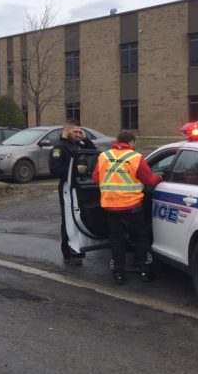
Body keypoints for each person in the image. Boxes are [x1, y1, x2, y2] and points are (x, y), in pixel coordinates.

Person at [93, 130, 162, 285]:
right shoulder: (136, 157)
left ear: (117, 141)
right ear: (132, 142)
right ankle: (144, 270)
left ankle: (118, 273)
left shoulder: (104, 156)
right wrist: (160, 177)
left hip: (111, 207)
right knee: (141, 237)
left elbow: (96, 177)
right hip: (132, 207)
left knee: (117, 240)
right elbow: (150, 181)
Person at [49, 120, 97, 266]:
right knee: (68, 218)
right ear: (67, 130)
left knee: (80, 216)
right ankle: (69, 251)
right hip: (67, 187)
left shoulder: (77, 144)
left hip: (81, 186)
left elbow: (92, 152)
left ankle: (78, 247)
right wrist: (76, 170)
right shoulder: (59, 148)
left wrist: (85, 138)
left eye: (79, 131)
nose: (78, 134)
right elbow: (55, 170)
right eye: (75, 132)